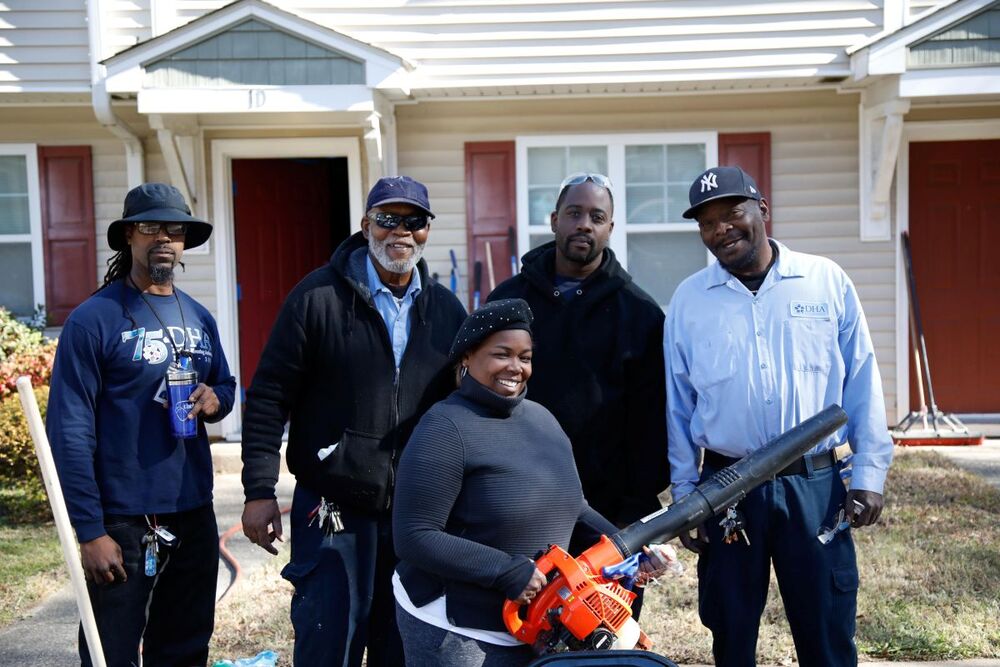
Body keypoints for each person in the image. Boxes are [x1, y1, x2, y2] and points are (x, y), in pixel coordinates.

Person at [665, 166, 894, 666]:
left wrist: (870, 471)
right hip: (726, 488)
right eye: (707, 223)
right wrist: (686, 494)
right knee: (731, 631)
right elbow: (678, 405)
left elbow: (861, 378)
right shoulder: (689, 301)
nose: (721, 229)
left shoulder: (824, 280)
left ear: (762, 211)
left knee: (828, 633)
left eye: (732, 214)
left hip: (814, 484)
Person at [240, 176, 467, 667]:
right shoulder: (315, 298)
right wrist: (259, 490)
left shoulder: (447, 312)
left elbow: (464, 409)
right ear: (365, 226)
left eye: (414, 222)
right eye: (387, 219)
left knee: (399, 649)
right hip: (331, 511)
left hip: (414, 517)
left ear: (427, 231)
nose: (399, 232)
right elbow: (268, 397)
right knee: (328, 646)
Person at [393, 299, 674, 667]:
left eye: (525, 357)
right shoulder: (444, 428)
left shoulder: (543, 420)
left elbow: (575, 509)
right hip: (458, 630)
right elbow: (414, 535)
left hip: (541, 625)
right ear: (466, 357)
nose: (516, 367)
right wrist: (505, 570)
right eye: (502, 354)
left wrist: (633, 552)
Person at [46, 182, 236, 666]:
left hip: (192, 512)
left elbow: (228, 386)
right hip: (123, 522)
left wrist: (217, 399)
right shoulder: (95, 320)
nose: (164, 239)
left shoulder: (199, 316)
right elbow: (69, 430)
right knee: (111, 652)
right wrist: (89, 530)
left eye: (175, 229)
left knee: (185, 647)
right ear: (128, 236)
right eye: (150, 227)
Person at [487, 173, 669, 529]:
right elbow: (479, 397)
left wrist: (636, 507)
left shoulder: (640, 314)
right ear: (555, 220)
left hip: (610, 513)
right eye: (574, 213)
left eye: (597, 217)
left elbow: (652, 424)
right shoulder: (507, 302)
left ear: (610, 228)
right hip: (516, 502)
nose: (584, 225)